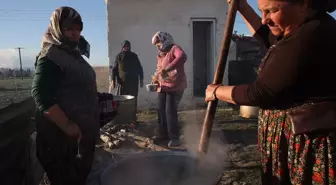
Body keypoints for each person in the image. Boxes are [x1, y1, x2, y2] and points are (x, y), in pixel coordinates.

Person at [205, 0, 336, 184]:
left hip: (308, 144)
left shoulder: (310, 36)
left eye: (272, 10)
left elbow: (261, 93)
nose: (265, 19)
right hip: (294, 140)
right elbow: (267, 36)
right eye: (262, 11)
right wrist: (241, 6)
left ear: (303, 4)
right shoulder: (300, 28)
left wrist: (217, 91)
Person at [31, 6, 100, 185]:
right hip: (61, 142)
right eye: (69, 28)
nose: (74, 33)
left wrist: (100, 99)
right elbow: (41, 93)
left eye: (78, 29)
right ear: (57, 27)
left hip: (78, 139)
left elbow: (76, 86)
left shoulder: (72, 54)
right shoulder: (51, 55)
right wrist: (67, 125)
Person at [151, 31, 187, 147]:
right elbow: (160, 70)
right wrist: (156, 79)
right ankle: (162, 136)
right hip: (164, 87)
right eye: (156, 45)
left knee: (169, 111)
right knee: (160, 110)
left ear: (165, 40)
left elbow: (182, 57)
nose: (158, 46)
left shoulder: (174, 49)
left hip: (175, 87)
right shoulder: (161, 55)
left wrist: (168, 68)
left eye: (158, 43)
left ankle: (175, 138)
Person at [109, 40, 144, 121]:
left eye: (127, 46)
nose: (126, 47)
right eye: (124, 46)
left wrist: (141, 79)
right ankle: (121, 118)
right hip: (122, 83)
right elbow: (114, 69)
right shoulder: (119, 56)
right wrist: (113, 81)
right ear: (122, 47)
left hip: (133, 83)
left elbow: (140, 68)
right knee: (122, 100)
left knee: (132, 100)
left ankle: (132, 119)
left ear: (129, 47)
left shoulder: (134, 56)